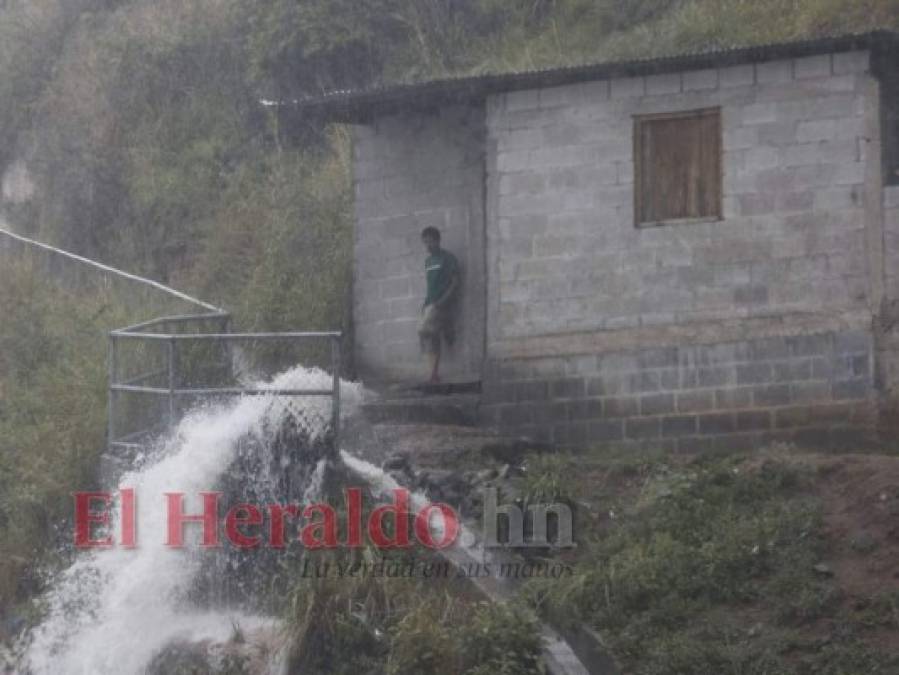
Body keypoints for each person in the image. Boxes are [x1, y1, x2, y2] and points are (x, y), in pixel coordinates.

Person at [418, 226, 459, 383]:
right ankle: (433, 373)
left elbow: (455, 283)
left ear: (437, 240)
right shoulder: (428, 261)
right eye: (425, 243)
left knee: (427, 332)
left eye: (430, 242)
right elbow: (430, 285)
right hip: (430, 304)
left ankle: (433, 374)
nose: (427, 246)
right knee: (429, 335)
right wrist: (426, 303)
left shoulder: (448, 258)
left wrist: (442, 301)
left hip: (442, 304)